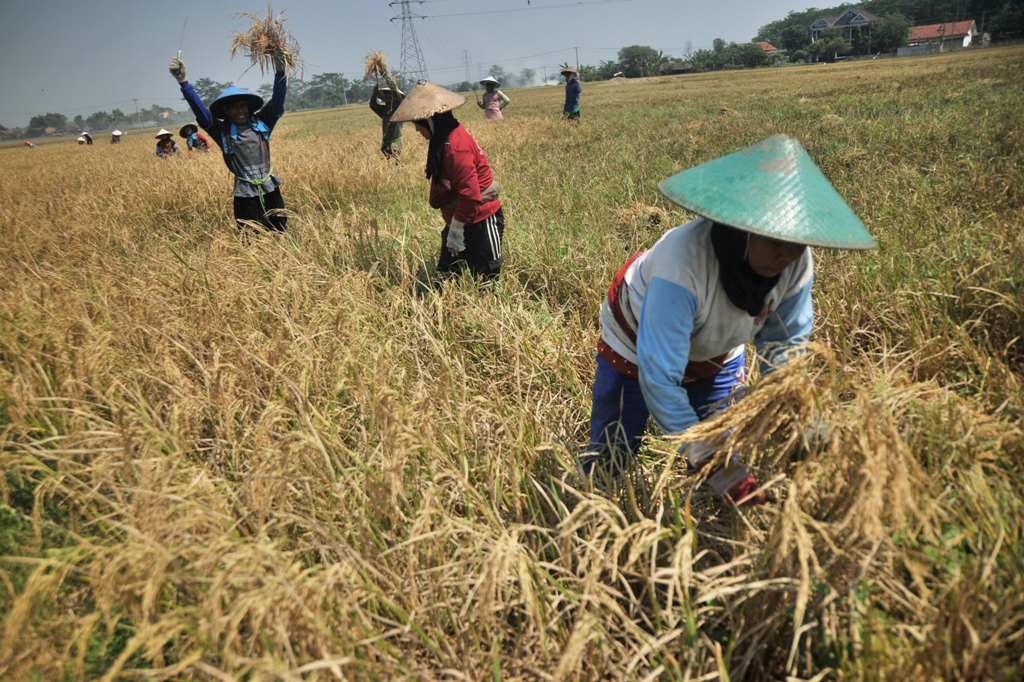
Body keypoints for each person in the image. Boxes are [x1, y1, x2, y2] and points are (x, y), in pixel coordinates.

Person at [579, 135, 877, 505]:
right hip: (637, 343)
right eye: (773, 241)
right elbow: (659, 377)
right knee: (616, 443)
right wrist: (706, 459)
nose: (786, 254)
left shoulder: (796, 263)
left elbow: (783, 350)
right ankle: (595, 505)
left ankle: (713, 506)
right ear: (743, 229)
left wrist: (802, 421)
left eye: (796, 241)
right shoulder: (682, 266)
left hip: (718, 347)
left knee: (720, 441)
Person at [389, 81, 504, 283]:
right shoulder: (445, 136)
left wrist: (457, 228)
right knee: (445, 280)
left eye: (417, 125)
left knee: (487, 280)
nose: (417, 130)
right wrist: (455, 227)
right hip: (459, 219)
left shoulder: (455, 146)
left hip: (480, 221)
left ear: (429, 121)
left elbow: (469, 194)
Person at [169, 51, 289, 233]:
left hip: (269, 186)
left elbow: (278, 101)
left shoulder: (262, 123)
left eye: (243, 106)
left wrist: (280, 71)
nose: (240, 110)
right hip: (245, 193)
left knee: (280, 229)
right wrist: (184, 83)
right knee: (251, 235)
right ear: (226, 110)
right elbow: (201, 112)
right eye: (234, 107)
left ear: (248, 107)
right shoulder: (222, 130)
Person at [369, 83, 405, 159]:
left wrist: (394, 88)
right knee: (389, 163)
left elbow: (401, 100)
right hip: (386, 144)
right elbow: (373, 105)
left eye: (390, 97)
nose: (388, 99)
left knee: (396, 161)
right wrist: (375, 93)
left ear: (395, 99)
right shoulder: (384, 111)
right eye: (387, 97)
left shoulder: (399, 111)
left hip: (395, 143)